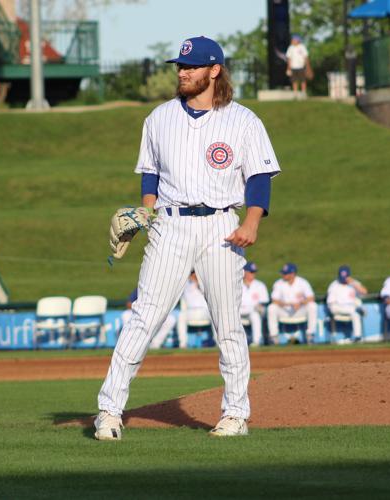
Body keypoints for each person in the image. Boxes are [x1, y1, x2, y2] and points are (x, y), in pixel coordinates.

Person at [94, 36, 281, 440]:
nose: (183, 72)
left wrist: (252, 223)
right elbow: (150, 174)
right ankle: (109, 411)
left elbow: (259, 177)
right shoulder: (159, 118)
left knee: (228, 325)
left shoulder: (243, 120)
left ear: (214, 70)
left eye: (192, 66)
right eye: (180, 66)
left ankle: (235, 414)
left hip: (221, 226)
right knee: (144, 317)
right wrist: (146, 210)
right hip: (170, 225)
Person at [267, 263, 317, 344]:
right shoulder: (279, 283)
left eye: (285, 273)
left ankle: (310, 335)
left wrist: (301, 303)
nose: (283, 275)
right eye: (283, 273)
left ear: (293, 274)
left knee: (312, 306)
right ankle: (274, 337)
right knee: (271, 308)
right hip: (284, 310)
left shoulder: (302, 282)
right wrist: (287, 304)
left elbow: (311, 297)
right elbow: (274, 299)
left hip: (299, 310)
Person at [326, 265, 368, 342]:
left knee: (355, 314)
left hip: (351, 308)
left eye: (345, 278)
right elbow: (331, 303)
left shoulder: (354, 283)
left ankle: (357, 337)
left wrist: (354, 284)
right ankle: (357, 309)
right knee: (354, 310)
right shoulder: (334, 285)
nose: (344, 280)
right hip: (338, 308)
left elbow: (364, 292)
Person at [177, 271, 212, 348]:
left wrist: (198, 281)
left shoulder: (205, 282)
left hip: (205, 312)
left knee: (216, 315)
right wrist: (190, 279)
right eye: (192, 274)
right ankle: (183, 344)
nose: (194, 275)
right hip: (190, 312)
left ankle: (218, 342)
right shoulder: (185, 284)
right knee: (181, 316)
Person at [240, 261, 269, 346]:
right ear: (244, 272)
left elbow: (264, 302)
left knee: (255, 315)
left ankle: (257, 341)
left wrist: (258, 307)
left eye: (254, 272)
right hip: (239, 311)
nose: (252, 274)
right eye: (251, 272)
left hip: (254, 310)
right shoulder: (236, 284)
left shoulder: (260, 285)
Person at [286, 34, 310, 98]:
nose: (292, 41)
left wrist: (306, 66)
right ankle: (295, 94)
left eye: (293, 40)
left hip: (301, 67)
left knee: (303, 80)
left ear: (297, 40)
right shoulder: (290, 48)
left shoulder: (302, 47)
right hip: (293, 67)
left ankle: (303, 93)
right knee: (294, 81)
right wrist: (288, 68)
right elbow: (289, 58)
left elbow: (305, 57)